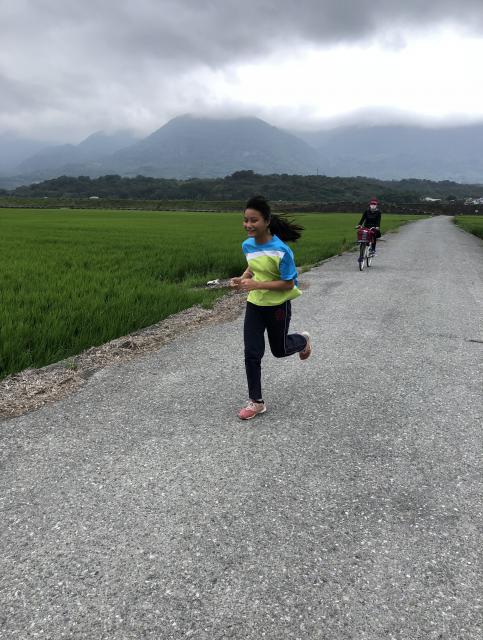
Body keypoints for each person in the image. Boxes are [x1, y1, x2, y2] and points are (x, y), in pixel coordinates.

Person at [230, 195, 312, 421]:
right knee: (251, 352)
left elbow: (288, 283)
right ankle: (256, 402)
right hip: (255, 305)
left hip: (277, 306)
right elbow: (253, 266)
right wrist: (242, 278)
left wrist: (256, 284)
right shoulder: (247, 245)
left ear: (266, 221)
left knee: (279, 349)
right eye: (245, 220)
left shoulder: (282, 250)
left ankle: (303, 341)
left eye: (253, 220)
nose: (248, 225)